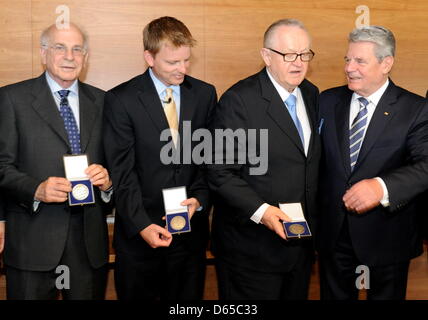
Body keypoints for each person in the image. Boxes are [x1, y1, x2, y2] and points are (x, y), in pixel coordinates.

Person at [103, 16, 217, 300]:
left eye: (186, 61)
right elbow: (122, 172)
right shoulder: (121, 99)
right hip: (141, 237)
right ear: (149, 57)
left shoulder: (204, 94)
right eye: (172, 63)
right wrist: (142, 225)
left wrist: (200, 198)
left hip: (190, 236)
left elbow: (210, 157)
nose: (182, 69)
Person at [207, 19, 321, 300]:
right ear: (266, 56)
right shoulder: (239, 100)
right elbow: (219, 171)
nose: (299, 63)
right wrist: (264, 212)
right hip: (251, 250)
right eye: (289, 55)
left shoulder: (311, 93)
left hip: (300, 246)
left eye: (305, 54)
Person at [0, 23, 112, 300]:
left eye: (77, 49)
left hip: (89, 246)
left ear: (85, 57)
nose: (70, 56)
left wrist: (109, 182)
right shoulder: (11, 99)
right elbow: (2, 166)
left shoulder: (105, 102)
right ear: (43, 53)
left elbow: (121, 165)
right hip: (32, 243)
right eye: (60, 48)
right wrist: (35, 189)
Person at [318, 25, 428, 300]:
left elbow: (426, 165)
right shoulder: (327, 101)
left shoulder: (415, 109)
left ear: (386, 63)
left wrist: (381, 187)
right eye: (347, 59)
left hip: (388, 236)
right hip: (334, 234)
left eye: (360, 61)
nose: (349, 67)